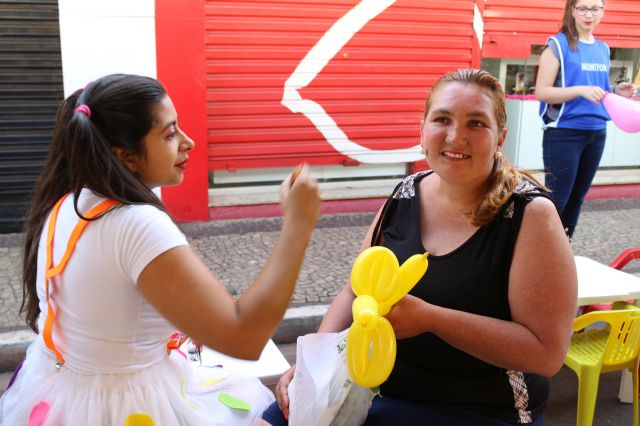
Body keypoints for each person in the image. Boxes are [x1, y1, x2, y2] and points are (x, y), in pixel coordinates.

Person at [0, 74, 320, 425]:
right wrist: (298, 225)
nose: (188, 142)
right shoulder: (135, 224)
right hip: (128, 408)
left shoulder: (68, 202)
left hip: (61, 395)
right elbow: (244, 337)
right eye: (169, 134)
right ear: (125, 155)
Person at [262, 69, 577, 425]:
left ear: (500, 137)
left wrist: (431, 319)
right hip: (378, 386)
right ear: (423, 130)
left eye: (476, 123)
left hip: (481, 407)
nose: (456, 136)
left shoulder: (529, 215)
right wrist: (315, 366)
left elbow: (546, 354)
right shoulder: (405, 194)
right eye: (442, 119)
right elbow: (355, 290)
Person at [534, 0, 637, 240]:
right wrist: (580, 90)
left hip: (597, 132)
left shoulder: (603, 48)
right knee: (556, 201)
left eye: (595, 8)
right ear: (572, 10)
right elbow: (542, 92)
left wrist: (615, 90)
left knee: (577, 199)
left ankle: (565, 246)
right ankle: (539, 249)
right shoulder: (557, 45)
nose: (589, 14)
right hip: (564, 133)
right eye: (583, 8)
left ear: (602, 11)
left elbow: (598, 90)